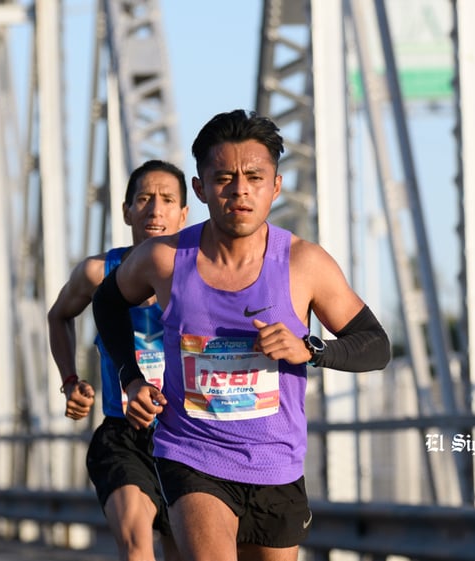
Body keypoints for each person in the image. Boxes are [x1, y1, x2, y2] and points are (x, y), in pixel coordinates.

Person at [92, 109, 391, 561]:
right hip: (192, 456)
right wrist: (130, 377)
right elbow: (108, 302)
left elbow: (375, 344)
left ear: (276, 186)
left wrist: (309, 348)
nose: (239, 190)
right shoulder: (166, 259)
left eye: (254, 176)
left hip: (277, 465)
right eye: (223, 178)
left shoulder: (304, 264)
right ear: (201, 188)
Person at [47, 159, 188, 561]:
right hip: (123, 436)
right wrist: (70, 380)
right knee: (137, 547)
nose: (154, 210)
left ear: (183, 212)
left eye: (166, 200)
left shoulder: (203, 274)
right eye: (143, 199)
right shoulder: (97, 272)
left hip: (186, 438)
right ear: (126, 210)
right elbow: (59, 315)